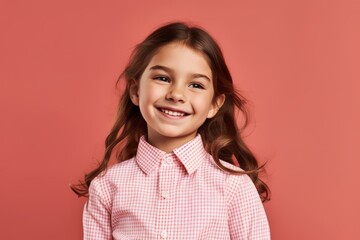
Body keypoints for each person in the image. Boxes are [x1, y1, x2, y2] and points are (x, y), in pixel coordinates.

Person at [72, 22, 271, 239]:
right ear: (136, 90)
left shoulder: (233, 186)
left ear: (215, 104)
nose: (176, 94)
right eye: (163, 78)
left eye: (196, 85)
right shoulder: (106, 187)